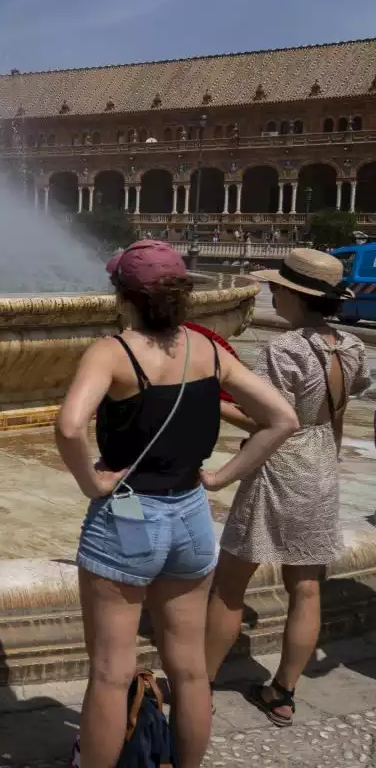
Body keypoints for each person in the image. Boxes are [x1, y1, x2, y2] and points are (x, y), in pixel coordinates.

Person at [55, 239, 296, 768]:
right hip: (190, 514)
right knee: (189, 670)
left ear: (124, 295)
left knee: (110, 673)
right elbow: (283, 419)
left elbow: (70, 426)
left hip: (127, 513)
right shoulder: (207, 350)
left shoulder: (111, 352)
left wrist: (90, 482)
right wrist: (222, 477)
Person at [204, 248, 371, 727]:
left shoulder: (284, 349)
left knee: (230, 585)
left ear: (295, 296)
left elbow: (273, 420)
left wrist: (211, 402)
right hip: (321, 464)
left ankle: (203, 684)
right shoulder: (351, 346)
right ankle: (282, 692)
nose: (272, 293)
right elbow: (328, 412)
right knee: (306, 589)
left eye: (277, 288)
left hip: (278, 467)